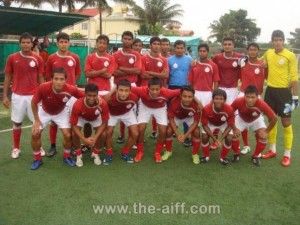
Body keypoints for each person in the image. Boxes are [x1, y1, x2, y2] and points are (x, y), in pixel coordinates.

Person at [30, 67, 84, 170]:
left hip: (61, 112)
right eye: (56, 78)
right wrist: (36, 120)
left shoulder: (71, 89)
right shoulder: (43, 87)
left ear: (65, 80)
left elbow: (84, 97)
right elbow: (33, 102)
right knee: (35, 133)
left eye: (61, 79)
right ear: (51, 79)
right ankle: (37, 159)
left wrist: (98, 99)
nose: (59, 82)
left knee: (68, 135)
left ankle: (66, 156)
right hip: (44, 112)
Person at [3, 32, 45, 159]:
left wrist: (43, 95)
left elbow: (41, 78)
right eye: (23, 42)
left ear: (32, 44)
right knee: (17, 123)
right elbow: (7, 77)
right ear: (20, 43)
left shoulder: (38, 58)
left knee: (36, 123)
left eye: (28, 42)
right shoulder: (12, 58)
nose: (26, 44)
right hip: (17, 96)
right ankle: (16, 148)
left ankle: (39, 146)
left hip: (34, 96)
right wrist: (5, 96)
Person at [261, 30, 298, 167]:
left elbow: (294, 78)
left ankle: (287, 154)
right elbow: (260, 63)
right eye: (275, 40)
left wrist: (295, 97)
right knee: (272, 120)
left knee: (286, 122)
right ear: (272, 41)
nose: (277, 42)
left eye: (280, 40)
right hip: (270, 91)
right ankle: (272, 150)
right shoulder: (268, 53)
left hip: (284, 93)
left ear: (283, 41)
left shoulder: (290, 56)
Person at [45, 32, 82, 157]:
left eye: (66, 42)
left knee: (72, 121)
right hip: (55, 94)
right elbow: (48, 75)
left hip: (71, 95)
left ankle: (70, 146)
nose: (63, 44)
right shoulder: (51, 58)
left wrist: (71, 85)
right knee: (54, 121)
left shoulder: (75, 57)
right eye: (61, 42)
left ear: (69, 43)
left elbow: (77, 74)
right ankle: (53, 146)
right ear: (57, 43)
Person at [132, 77, 181, 163]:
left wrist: (197, 101)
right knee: (141, 129)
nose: (154, 91)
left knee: (163, 131)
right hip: (145, 107)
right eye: (152, 89)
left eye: (157, 89)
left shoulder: (167, 92)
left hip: (160, 108)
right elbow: (126, 87)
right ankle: (140, 151)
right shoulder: (142, 90)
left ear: (161, 88)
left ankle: (157, 152)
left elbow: (183, 91)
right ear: (148, 88)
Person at [231, 85, 277, 166]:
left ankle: (255, 156)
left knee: (263, 137)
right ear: (244, 95)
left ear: (257, 97)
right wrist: (234, 128)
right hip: (241, 119)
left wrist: (266, 131)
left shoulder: (262, 104)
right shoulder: (238, 101)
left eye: (253, 97)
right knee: (232, 135)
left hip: (256, 120)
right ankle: (236, 153)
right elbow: (230, 114)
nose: (250, 99)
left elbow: (274, 118)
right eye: (247, 97)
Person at [113, 31, 142, 144]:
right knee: (119, 110)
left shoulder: (137, 55)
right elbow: (114, 72)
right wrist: (130, 71)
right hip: (117, 86)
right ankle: (121, 135)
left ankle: (132, 138)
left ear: (132, 41)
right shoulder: (115, 55)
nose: (127, 41)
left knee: (132, 112)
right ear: (122, 39)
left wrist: (122, 68)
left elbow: (138, 71)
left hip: (132, 86)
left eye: (129, 39)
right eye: (125, 38)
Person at [70, 83, 109, 167]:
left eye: (94, 95)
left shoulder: (103, 104)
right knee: (74, 133)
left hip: (95, 118)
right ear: (85, 94)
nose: (92, 98)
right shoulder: (77, 104)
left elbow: (105, 122)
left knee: (103, 134)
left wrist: (95, 138)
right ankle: (78, 154)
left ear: (97, 94)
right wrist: (84, 139)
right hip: (82, 117)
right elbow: (73, 125)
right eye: (89, 95)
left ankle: (95, 153)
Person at [238, 42, 267, 155]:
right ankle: (246, 145)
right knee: (242, 119)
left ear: (258, 51)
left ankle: (258, 149)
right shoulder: (243, 63)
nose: (253, 51)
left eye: (255, 49)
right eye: (250, 49)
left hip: (257, 97)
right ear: (247, 51)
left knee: (256, 121)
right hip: (243, 95)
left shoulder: (263, 65)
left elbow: (267, 76)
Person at [103, 79, 139, 165]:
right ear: (117, 90)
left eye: (126, 90)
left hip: (127, 113)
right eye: (121, 90)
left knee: (135, 133)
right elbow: (102, 105)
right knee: (108, 133)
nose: (123, 93)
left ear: (130, 91)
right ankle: (109, 153)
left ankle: (125, 152)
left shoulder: (134, 98)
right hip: (112, 114)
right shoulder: (109, 98)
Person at [163, 86, 201, 164]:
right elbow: (171, 119)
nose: (187, 99)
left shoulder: (197, 106)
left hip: (189, 117)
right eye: (185, 96)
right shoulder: (174, 102)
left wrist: (185, 135)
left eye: (190, 97)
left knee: (197, 132)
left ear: (193, 97)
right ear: (180, 96)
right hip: (177, 117)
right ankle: (168, 151)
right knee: (169, 131)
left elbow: (195, 122)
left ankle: (195, 154)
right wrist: (177, 134)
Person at [140, 36, 169, 139]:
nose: (157, 46)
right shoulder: (143, 58)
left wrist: (150, 73)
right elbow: (143, 75)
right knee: (142, 120)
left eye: (158, 44)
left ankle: (155, 132)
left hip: (159, 91)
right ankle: (139, 140)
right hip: (145, 91)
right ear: (150, 45)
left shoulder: (164, 60)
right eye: (154, 44)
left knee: (158, 114)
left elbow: (165, 75)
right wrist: (159, 74)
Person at [201, 89, 237, 165]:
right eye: (216, 98)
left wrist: (220, 139)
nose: (219, 101)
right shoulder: (206, 109)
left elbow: (230, 125)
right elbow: (204, 125)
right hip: (210, 124)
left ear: (225, 100)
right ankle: (206, 156)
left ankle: (223, 157)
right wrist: (214, 139)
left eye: (221, 99)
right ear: (213, 99)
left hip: (223, 124)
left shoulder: (230, 109)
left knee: (229, 138)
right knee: (204, 137)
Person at [168, 40, 193, 147]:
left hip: (185, 88)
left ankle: (187, 136)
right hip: (172, 88)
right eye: (177, 48)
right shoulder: (169, 60)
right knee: (173, 111)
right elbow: (167, 75)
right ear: (174, 48)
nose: (179, 50)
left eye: (181, 48)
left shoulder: (189, 59)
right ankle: (172, 131)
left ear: (185, 48)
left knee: (186, 112)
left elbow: (193, 73)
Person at [212, 37, 242, 104]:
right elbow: (209, 65)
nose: (227, 46)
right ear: (223, 46)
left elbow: (249, 64)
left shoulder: (240, 57)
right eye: (225, 44)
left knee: (232, 110)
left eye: (229, 44)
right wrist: (195, 62)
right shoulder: (217, 57)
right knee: (220, 110)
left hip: (233, 89)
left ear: (233, 45)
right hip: (220, 88)